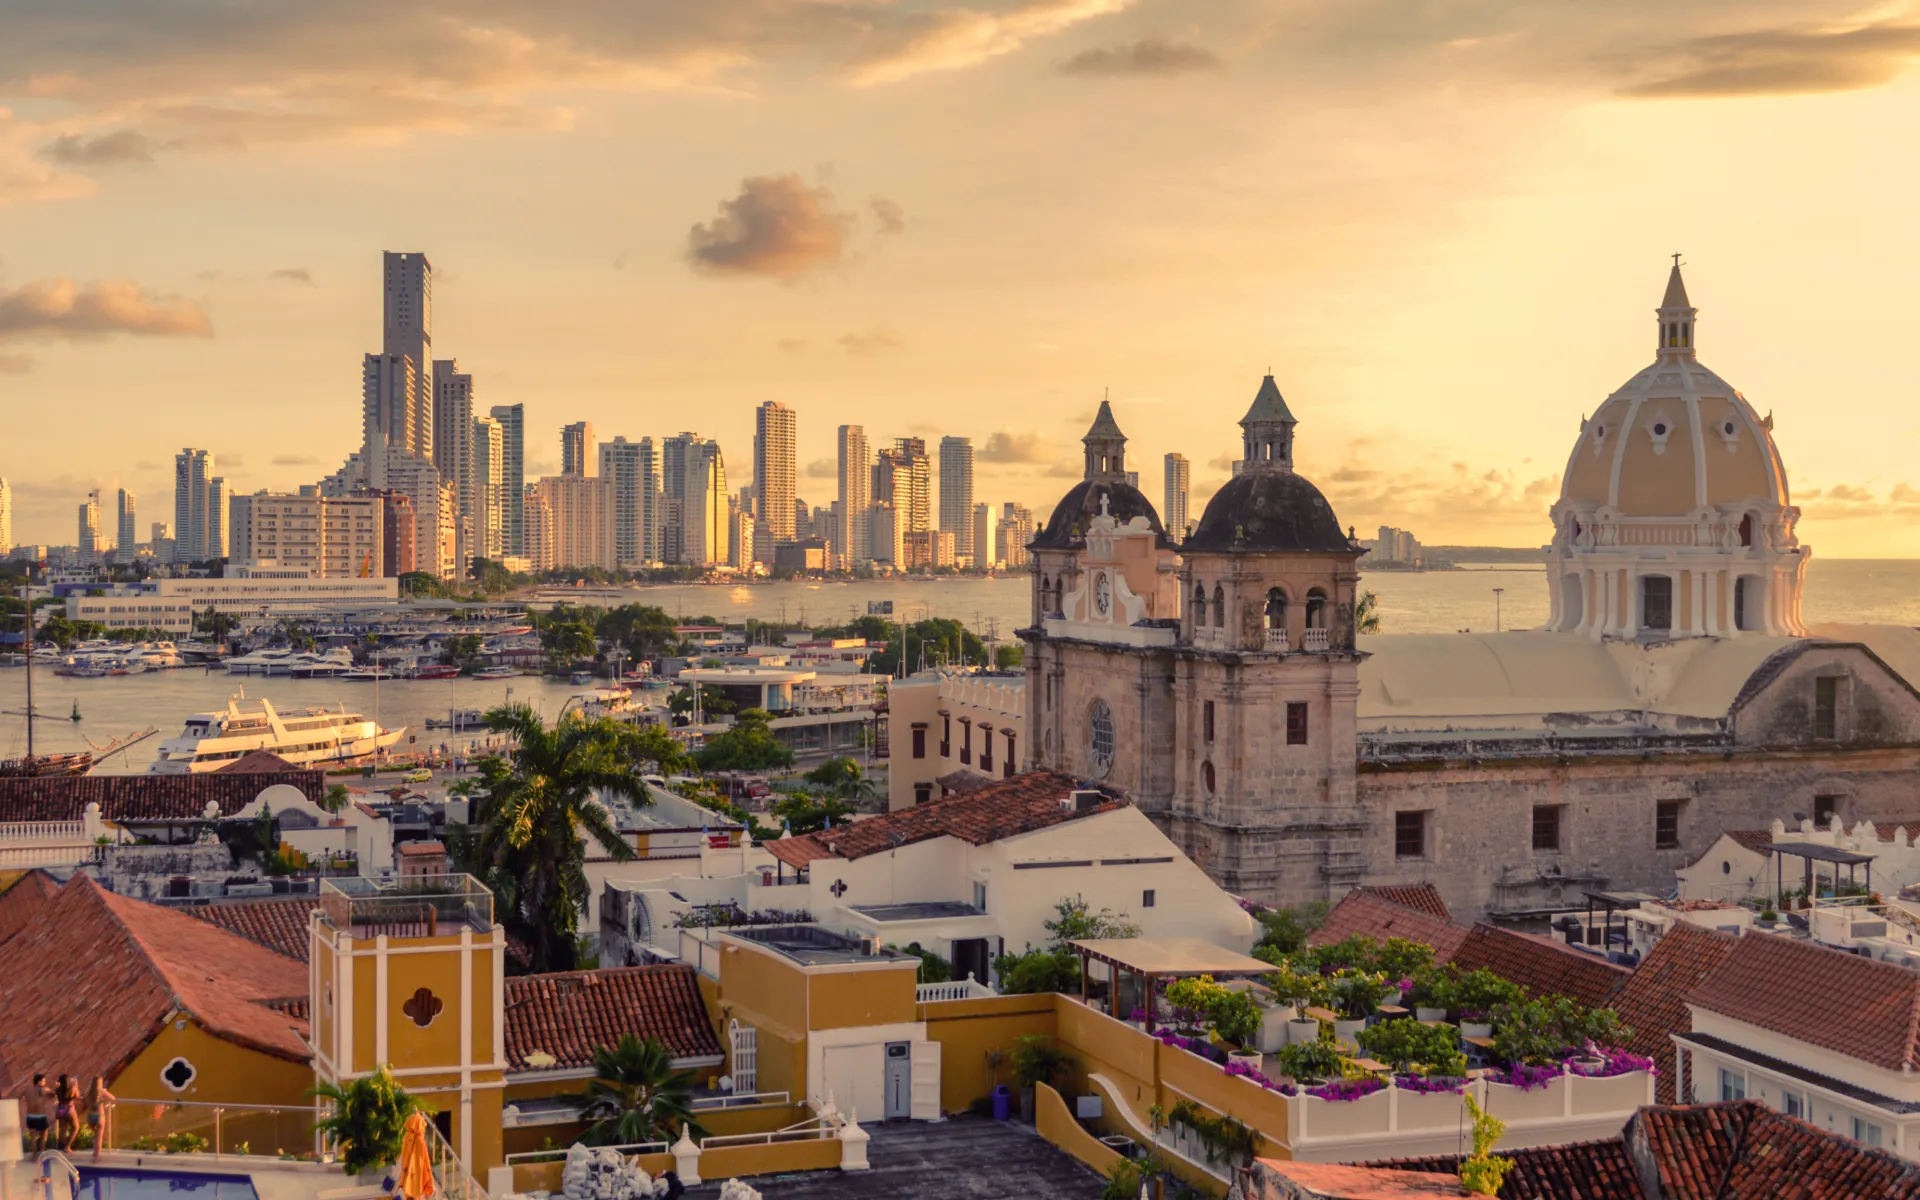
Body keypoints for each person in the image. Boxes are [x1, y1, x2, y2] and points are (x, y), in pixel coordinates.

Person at [84, 1076, 115, 1160]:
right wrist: (105, 1092)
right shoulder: (101, 1091)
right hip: (99, 1116)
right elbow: (113, 1098)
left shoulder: (89, 1092)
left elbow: (85, 1102)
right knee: (99, 1137)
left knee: (96, 1136)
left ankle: (94, 1152)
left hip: (90, 1116)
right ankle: (96, 1157)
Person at [52, 1074, 80, 1152]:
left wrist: (56, 1085)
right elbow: (77, 1096)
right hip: (69, 1108)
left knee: (63, 1130)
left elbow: (53, 1093)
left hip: (60, 1109)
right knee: (75, 1127)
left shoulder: (58, 1089)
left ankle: (65, 1146)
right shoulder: (73, 1088)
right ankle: (67, 1146)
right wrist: (76, 1085)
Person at [24, 1073, 51, 1153]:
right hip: (41, 1116)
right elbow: (54, 1095)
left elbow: (19, 1096)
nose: (45, 1083)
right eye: (43, 1081)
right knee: (43, 1137)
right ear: (38, 1081)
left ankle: (34, 1156)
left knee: (33, 1138)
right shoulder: (45, 1089)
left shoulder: (27, 1089)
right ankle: (42, 1153)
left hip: (30, 1117)